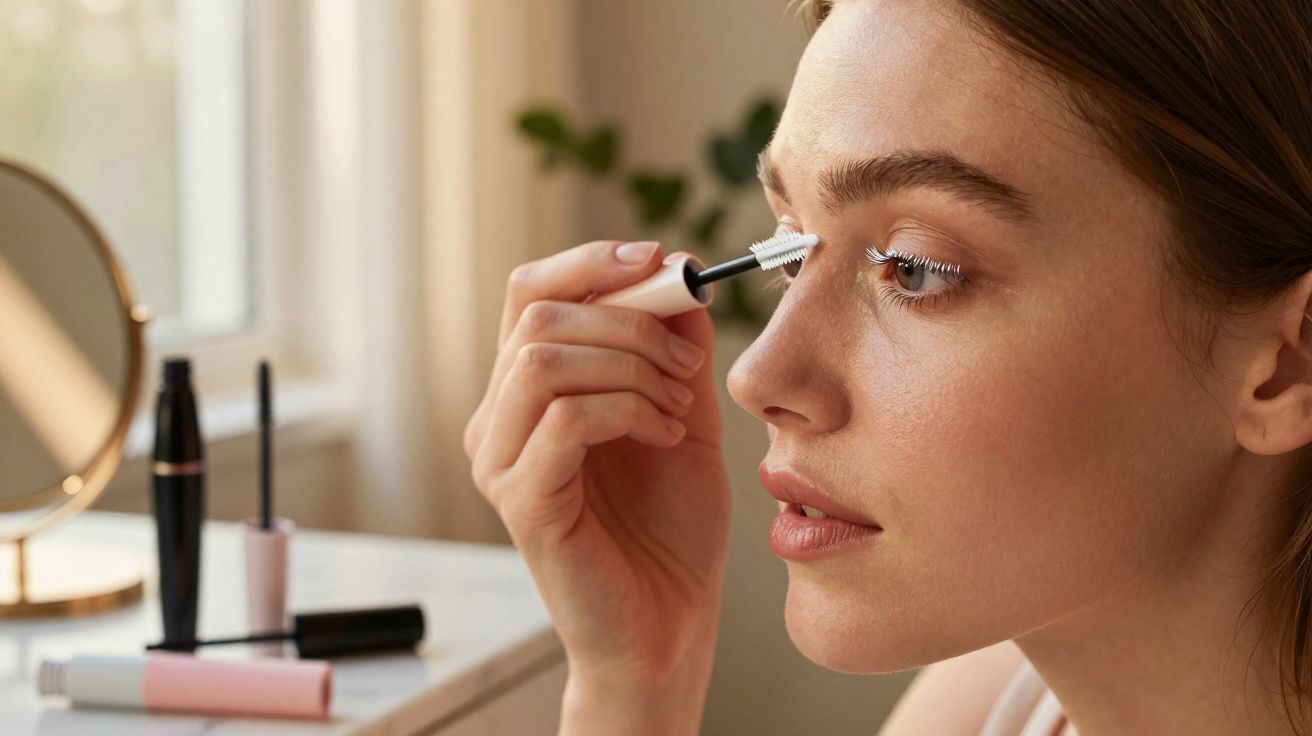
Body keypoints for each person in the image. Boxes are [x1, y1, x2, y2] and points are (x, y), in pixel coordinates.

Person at [463, 1, 1312, 733]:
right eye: (789, 247)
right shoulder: (1006, 698)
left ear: (1288, 364)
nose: (757, 376)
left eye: (915, 268)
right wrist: (635, 681)